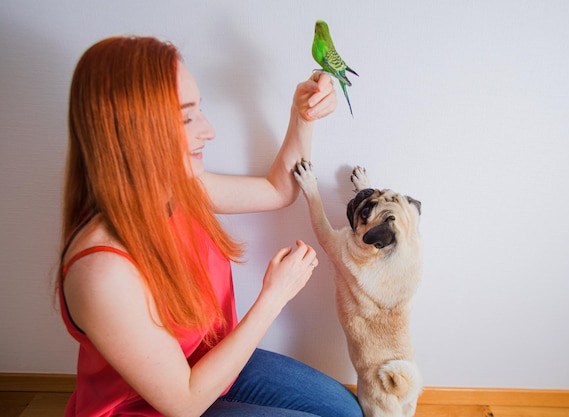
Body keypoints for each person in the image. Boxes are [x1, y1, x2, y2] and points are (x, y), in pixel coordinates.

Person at [58, 36, 363, 417]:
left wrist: (303, 116)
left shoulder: (180, 189)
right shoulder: (101, 271)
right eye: (187, 117)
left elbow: (278, 189)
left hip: (211, 365)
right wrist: (273, 296)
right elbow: (183, 403)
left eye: (199, 110)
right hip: (164, 404)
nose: (208, 130)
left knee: (347, 411)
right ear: (132, 131)